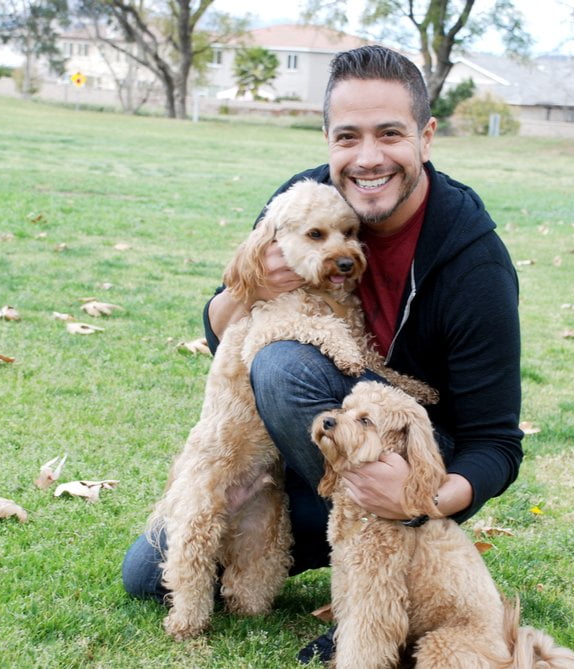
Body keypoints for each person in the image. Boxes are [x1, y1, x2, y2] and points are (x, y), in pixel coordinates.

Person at [122, 45, 523, 664]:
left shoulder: (474, 262)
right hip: (299, 459)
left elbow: (496, 442)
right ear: (328, 140)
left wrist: (422, 498)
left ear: (426, 136)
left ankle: (370, 600)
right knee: (147, 578)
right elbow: (221, 332)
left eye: (390, 134)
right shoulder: (303, 198)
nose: (367, 158)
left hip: (404, 452)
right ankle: (328, 554)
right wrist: (247, 287)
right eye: (348, 137)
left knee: (281, 365)